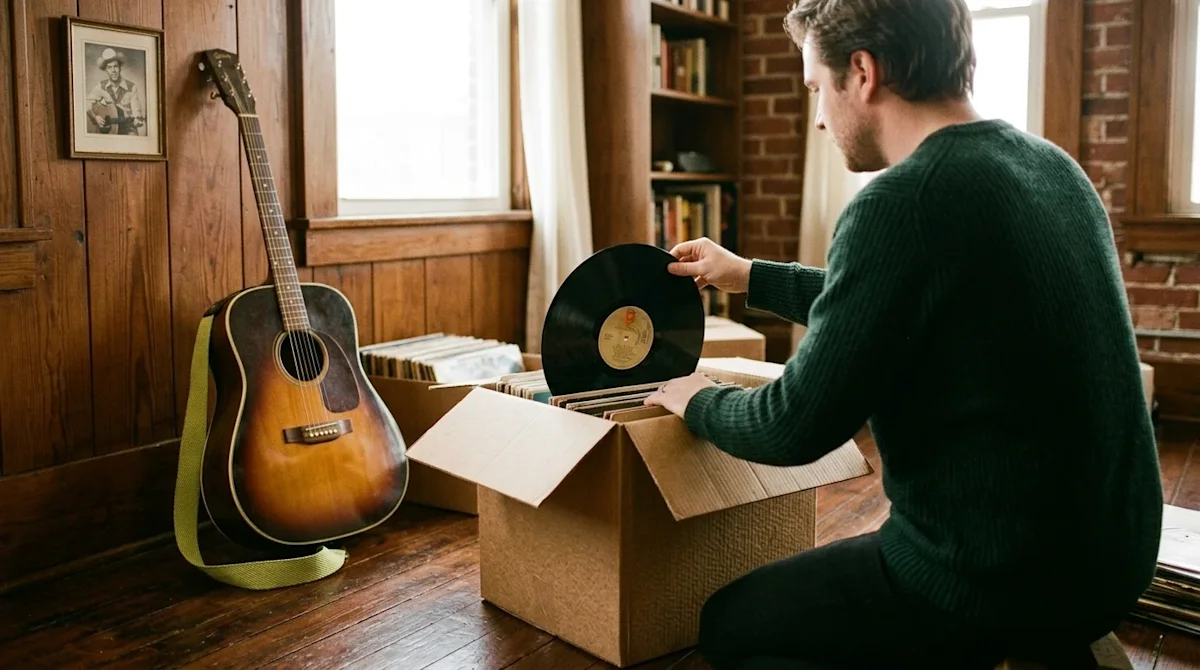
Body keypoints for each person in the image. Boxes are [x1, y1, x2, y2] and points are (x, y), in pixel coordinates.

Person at [643, 0, 1164, 668]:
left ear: (861, 72)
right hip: (1113, 564)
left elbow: (790, 426)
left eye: (816, 91)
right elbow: (891, 299)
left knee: (729, 627)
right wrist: (750, 275)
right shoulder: (1051, 166)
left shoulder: (901, 204)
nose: (821, 117)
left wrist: (695, 398)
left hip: (989, 582)